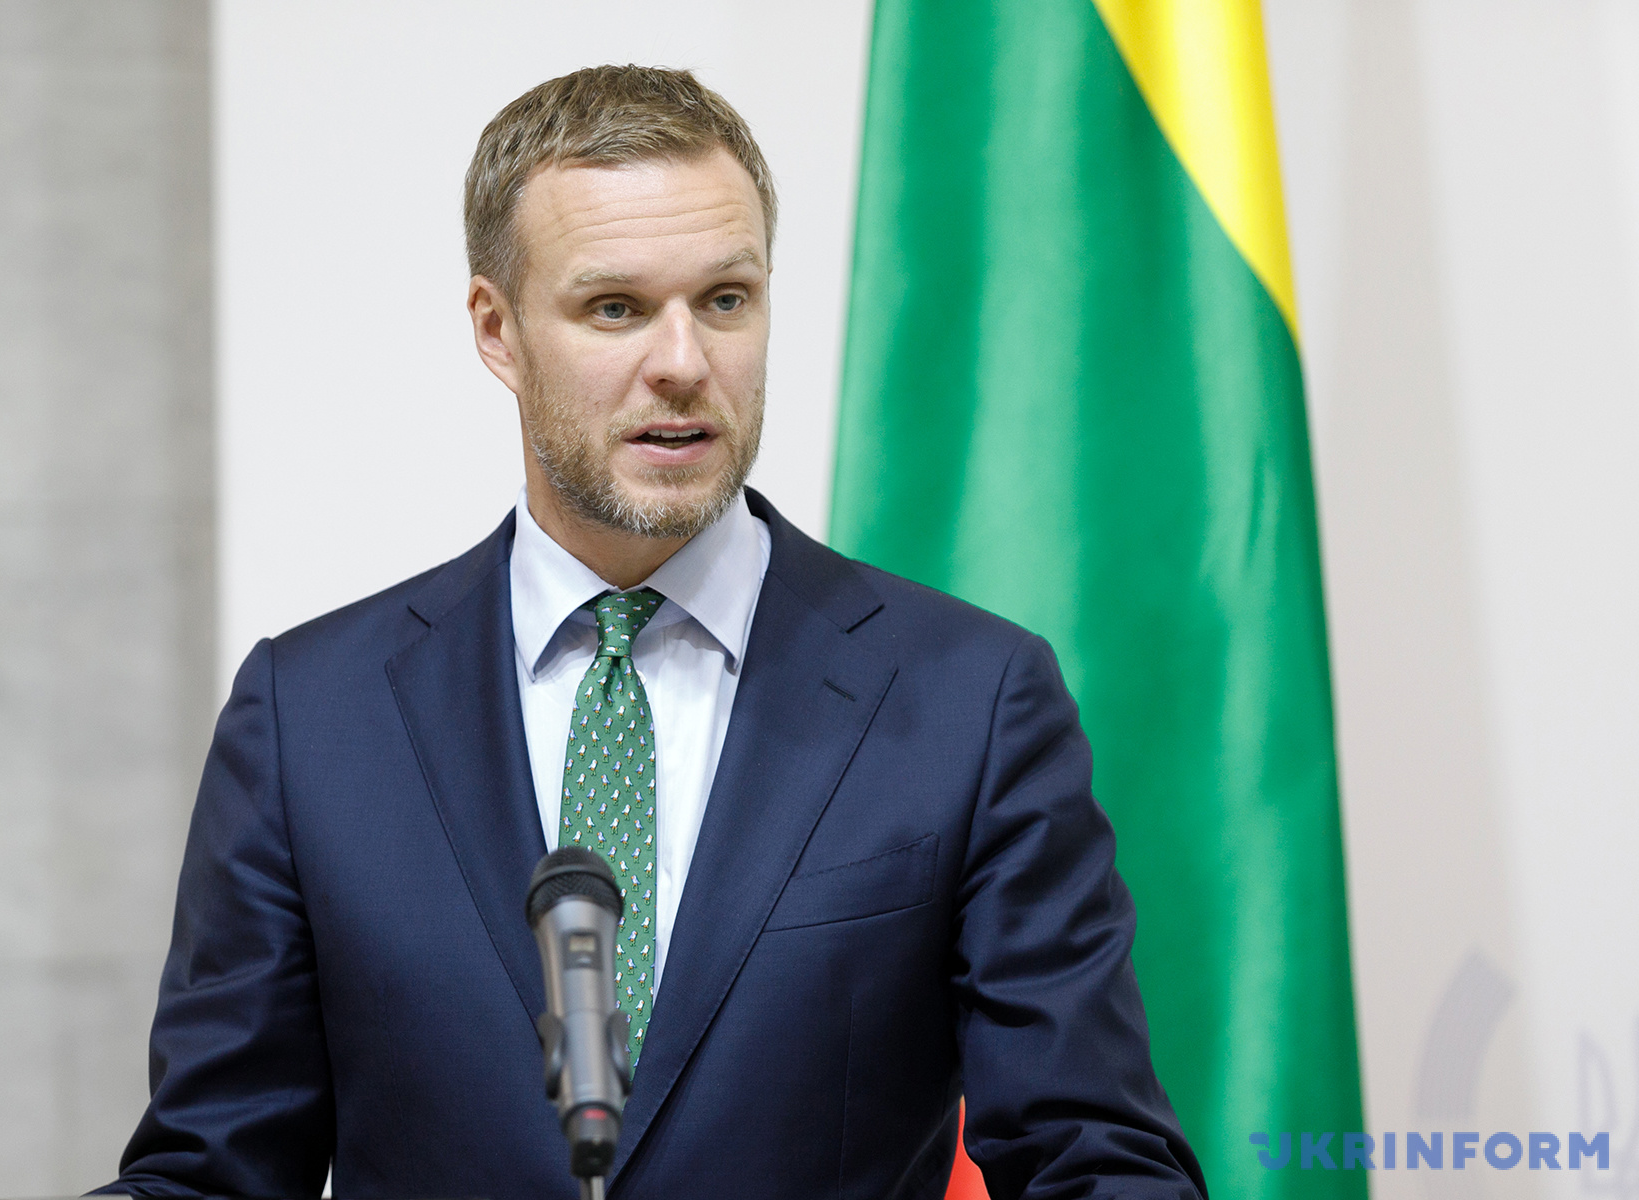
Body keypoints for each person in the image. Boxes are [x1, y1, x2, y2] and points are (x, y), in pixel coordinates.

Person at [102, 65, 1206, 1199]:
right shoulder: (311, 718)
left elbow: (1097, 1160)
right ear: (497, 330)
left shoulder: (970, 700)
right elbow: (213, 1173)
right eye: (616, 308)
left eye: (725, 299)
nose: (684, 363)